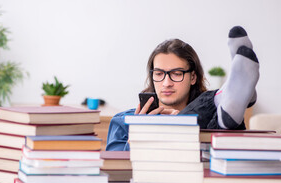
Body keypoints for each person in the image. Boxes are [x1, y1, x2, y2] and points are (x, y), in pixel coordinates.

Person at [106, 26, 259, 151]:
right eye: (159, 74)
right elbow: (119, 173)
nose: (166, 83)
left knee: (219, 117)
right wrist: (139, 132)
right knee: (209, 113)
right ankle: (232, 94)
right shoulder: (122, 121)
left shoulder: (211, 113)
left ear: (193, 77)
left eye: (176, 74)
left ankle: (231, 96)